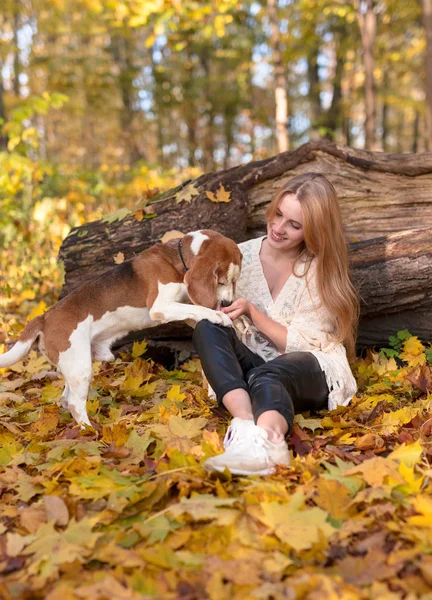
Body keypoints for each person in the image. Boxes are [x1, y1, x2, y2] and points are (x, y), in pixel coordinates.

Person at [192, 172, 359, 476]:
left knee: (269, 375)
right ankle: (246, 431)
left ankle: (270, 446)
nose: (279, 228)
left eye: (294, 225)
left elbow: (308, 345)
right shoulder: (238, 255)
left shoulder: (319, 269)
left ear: (314, 232)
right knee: (207, 325)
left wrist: (254, 314)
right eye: (278, 215)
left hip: (311, 367)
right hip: (254, 367)